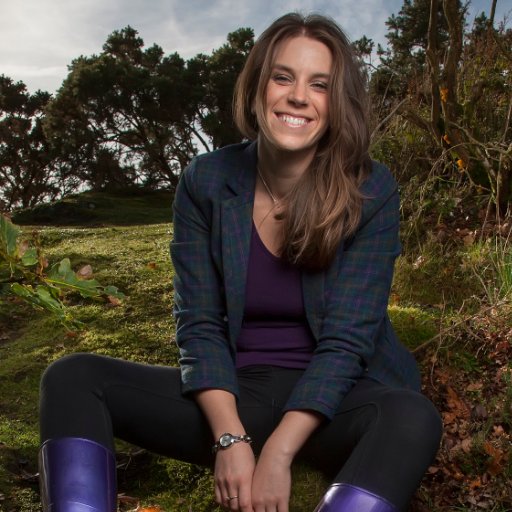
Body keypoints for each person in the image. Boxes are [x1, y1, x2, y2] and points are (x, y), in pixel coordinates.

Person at [38, 12, 442, 512]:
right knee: (73, 377)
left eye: (319, 84)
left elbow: (348, 341)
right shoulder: (206, 181)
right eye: (283, 77)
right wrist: (232, 440)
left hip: (338, 405)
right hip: (235, 396)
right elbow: (199, 323)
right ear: (257, 87)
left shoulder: (370, 189)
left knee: (412, 416)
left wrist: (278, 453)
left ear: (336, 104)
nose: (299, 96)